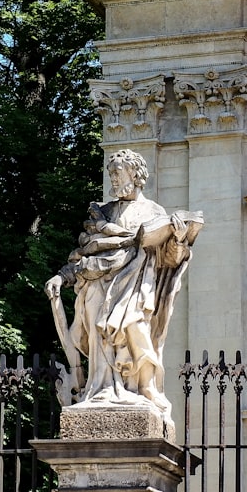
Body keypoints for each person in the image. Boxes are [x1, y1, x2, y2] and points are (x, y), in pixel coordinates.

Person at [45, 149, 201, 419]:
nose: (113, 180)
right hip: (96, 283)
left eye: (118, 173)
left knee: (136, 328)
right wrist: (62, 276)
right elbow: (83, 255)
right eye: (111, 174)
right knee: (97, 333)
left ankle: (144, 387)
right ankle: (101, 389)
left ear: (135, 174)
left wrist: (177, 239)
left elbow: (169, 260)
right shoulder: (102, 214)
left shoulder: (154, 212)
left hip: (137, 283)